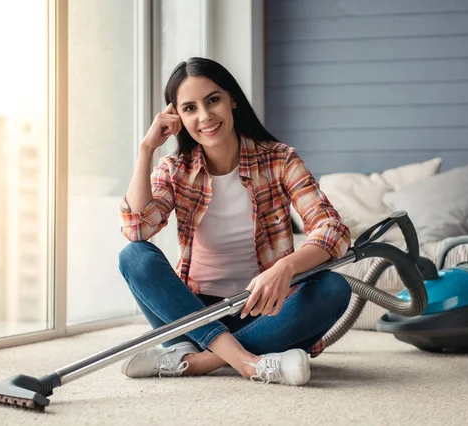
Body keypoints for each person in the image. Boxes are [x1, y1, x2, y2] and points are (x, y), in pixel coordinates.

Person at [118, 57, 352, 386]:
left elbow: (333, 230)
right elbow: (137, 229)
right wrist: (146, 150)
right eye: (190, 108)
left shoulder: (279, 159)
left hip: (265, 310)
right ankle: (248, 362)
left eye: (213, 100)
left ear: (232, 100)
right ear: (179, 118)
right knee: (134, 256)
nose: (205, 116)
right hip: (195, 316)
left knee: (334, 288)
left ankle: (194, 363)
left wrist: (283, 269)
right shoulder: (175, 169)